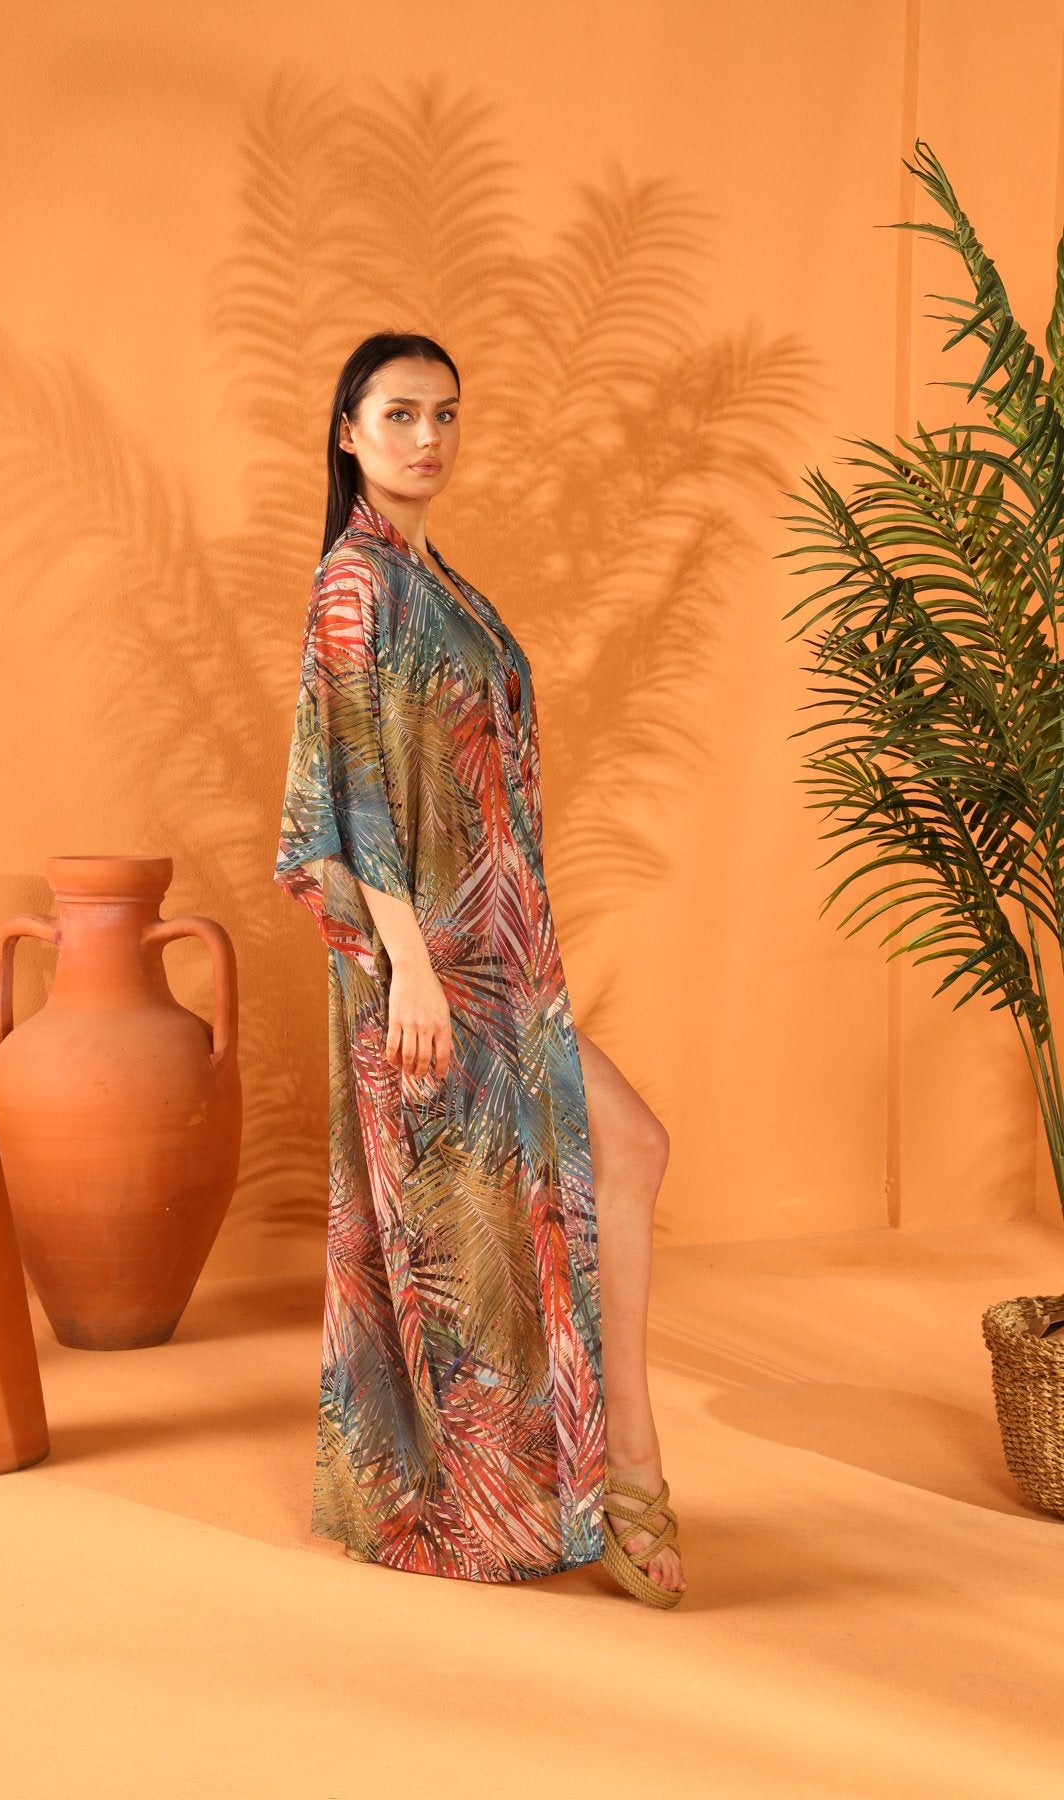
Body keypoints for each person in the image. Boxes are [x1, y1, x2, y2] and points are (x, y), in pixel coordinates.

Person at [274, 330, 687, 1606]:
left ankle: (618, 1471)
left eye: (446, 415)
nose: (428, 438)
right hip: (428, 977)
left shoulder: (433, 578)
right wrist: (409, 967)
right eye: (400, 414)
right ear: (348, 432)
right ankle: (608, 1484)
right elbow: (342, 795)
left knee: (616, 1158)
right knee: (490, 1229)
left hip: (497, 968)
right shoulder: (355, 585)